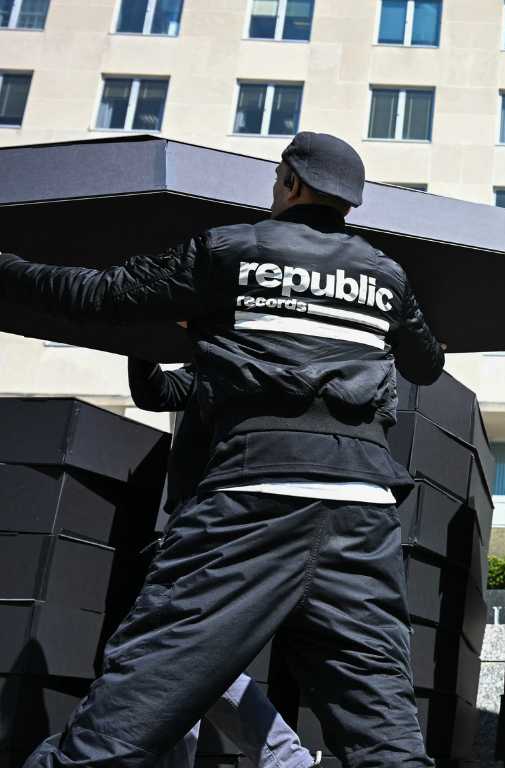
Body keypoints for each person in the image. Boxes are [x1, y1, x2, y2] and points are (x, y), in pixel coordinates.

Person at [0, 131, 445, 768]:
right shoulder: (387, 273)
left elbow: (95, 296)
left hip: (252, 503)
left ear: (289, 181)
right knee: (382, 726)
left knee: (137, 699)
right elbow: (427, 364)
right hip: (363, 509)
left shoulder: (229, 249)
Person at [127, 357, 320, 768]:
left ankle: (288, 760)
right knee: (185, 654)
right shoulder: (227, 363)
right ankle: (288, 760)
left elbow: (156, 392)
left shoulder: (231, 362)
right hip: (222, 524)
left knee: (179, 652)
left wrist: (141, 339)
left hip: (209, 527)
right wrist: (142, 344)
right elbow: (156, 391)